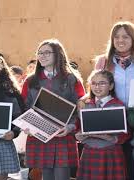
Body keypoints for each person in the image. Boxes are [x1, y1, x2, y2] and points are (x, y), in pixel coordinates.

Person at [94, 21, 134, 180]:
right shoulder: (103, 62)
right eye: (116, 37)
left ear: (133, 39)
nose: (121, 40)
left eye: (125, 36)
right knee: (119, 165)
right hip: (113, 119)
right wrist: (84, 99)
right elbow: (96, 85)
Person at [21, 39, 85, 180]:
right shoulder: (30, 80)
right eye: (40, 53)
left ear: (58, 55)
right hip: (39, 135)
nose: (42, 56)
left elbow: (81, 107)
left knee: (62, 176)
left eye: (47, 53)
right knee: (46, 176)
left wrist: (70, 127)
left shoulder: (71, 79)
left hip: (63, 135)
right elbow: (24, 107)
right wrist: (27, 126)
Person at [75, 70, 129, 180]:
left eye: (102, 83)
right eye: (94, 83)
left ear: (111, 86)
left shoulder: (118, 106)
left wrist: (109, 137)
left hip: (110, 152)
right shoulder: (85, 105)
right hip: (89, 152)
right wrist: (78, 136)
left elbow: (126, 134)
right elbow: (77, 128)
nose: (97, 87)